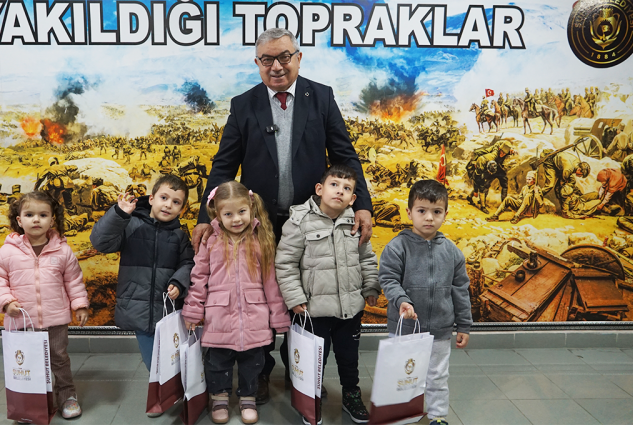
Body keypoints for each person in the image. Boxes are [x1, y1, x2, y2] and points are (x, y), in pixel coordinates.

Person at [191, 28, 372, 399]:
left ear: (298, 57)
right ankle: (259, 371)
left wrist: (363, 204)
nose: (276, 66)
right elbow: (224, 164)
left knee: (302, 297)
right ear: (257, 63)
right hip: (258, 225)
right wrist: (204, 218)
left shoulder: (321, 97)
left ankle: (299, 372)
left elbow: (344, 155)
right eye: (267, 59)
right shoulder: (244, 104)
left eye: (284, 57)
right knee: (260, 297)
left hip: (310, 222)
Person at [275, 165, 380, 425]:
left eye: (347, 188)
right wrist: (294, 298)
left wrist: (371, 287)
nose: (340, 191)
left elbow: (366, 259)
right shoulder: (299, 221)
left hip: (349, 308)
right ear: (320, 189)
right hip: (313, 310)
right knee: (313, 360)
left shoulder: (355, 222)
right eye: (334, 185)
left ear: (353, 198)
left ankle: (351, 394)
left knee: (349, 357)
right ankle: (311, 399)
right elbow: (285, 264)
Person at [182, 181, 291, 424]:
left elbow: (271, 282)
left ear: (251, 208)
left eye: (241, 212)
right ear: (217, 214)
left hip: (255, 315)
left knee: (253, 362)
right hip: (219, 316)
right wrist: (193, 310)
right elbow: (199, 278)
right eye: (228, 214)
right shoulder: (210, 241)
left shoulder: (261, 239)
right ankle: (219, 398)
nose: (236, 219)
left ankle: (248, 398)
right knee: (217, 362)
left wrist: (279, 315)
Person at [89, 174, 194, 416]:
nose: (168, 205)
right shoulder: (131, 225)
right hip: (138, 308)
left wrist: (179, 282)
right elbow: (100, 242)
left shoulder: (179, 235)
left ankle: (184, 392)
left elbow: (188, 263)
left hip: (168, 310)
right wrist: (119, 214)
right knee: (152, 360)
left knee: (174, 356)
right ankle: (161, 396)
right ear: (152, 198)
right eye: (164, 198)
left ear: (182, 208)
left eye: (176, 202)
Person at [0, 191, 90, 420]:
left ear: (52, 220)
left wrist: (80, 305)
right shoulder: (8, 251)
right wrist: (6, 302)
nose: (36, 220)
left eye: (43, 215)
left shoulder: (62, 250)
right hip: (23, 320)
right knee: (29, 362)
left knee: (59, 359)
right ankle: (31, 403)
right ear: (19, 220)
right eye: (29, 215)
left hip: (56, 320)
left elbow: (73, 280)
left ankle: (67, 397)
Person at [379, 180, 472, 425]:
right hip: (406, 327)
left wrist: (464, 325)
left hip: (440, 329)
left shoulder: (452, 252)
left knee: (437, 375)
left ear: (445, 214)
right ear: (409, 212)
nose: (429, 217)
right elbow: (388, 279)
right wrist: (402, 300)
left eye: (436, 211)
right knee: (403, 373)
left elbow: (460, 289)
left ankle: (437, 416)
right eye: (422, 210)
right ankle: (400, 414)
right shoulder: (397, 247)